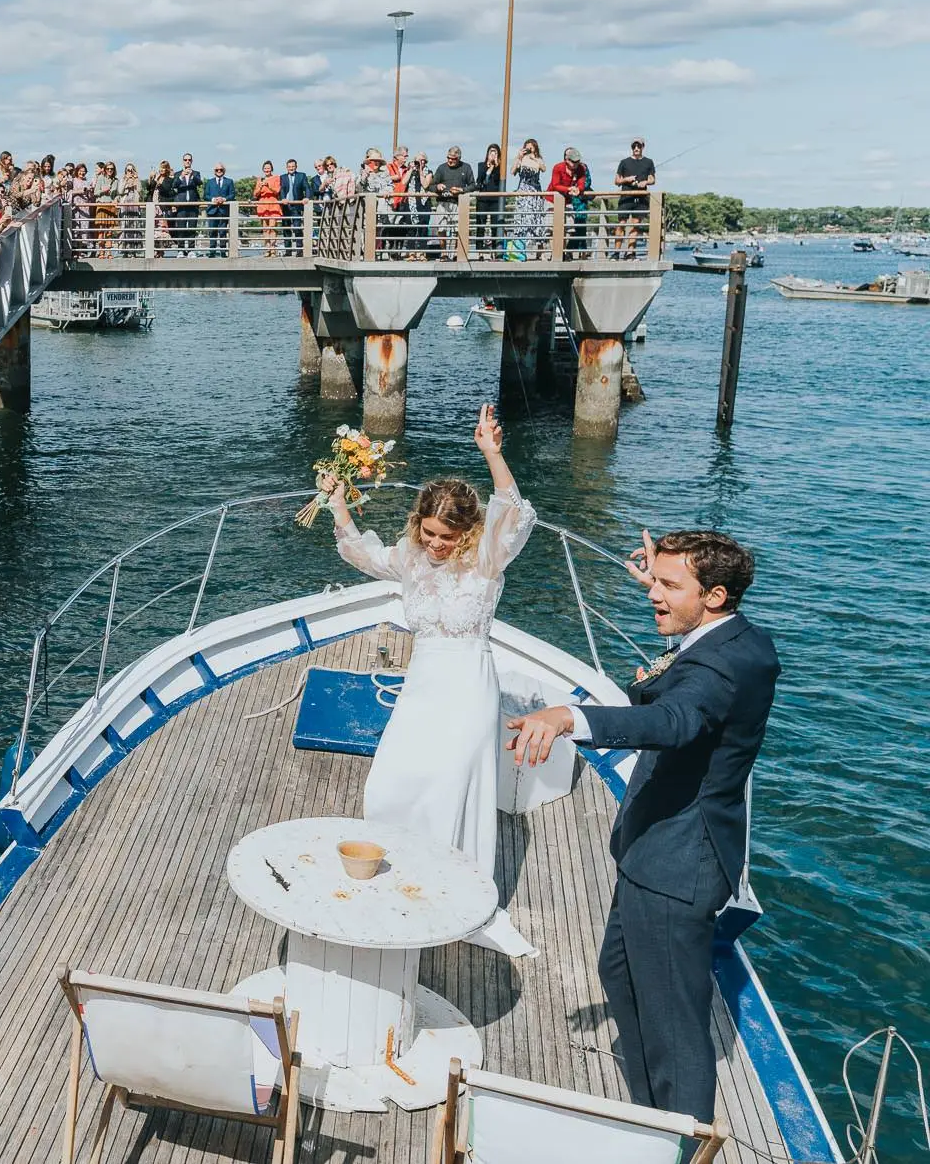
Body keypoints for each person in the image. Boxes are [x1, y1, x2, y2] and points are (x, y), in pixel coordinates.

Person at [507, 531, 774, 1128]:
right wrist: (665, 581)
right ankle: (647, 1108)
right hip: (659, 850)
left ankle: (676, 1135)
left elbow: (675, 719)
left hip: (678, 865)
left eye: (668, 586)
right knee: (619, 972)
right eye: (655, 581)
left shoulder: (717, 671)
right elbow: (692, 661)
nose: (653, 594)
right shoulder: (740, 639)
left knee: (675, 1024)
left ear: (715, 595)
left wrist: (566, 717)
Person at [321, 404, 538, 956]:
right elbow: (365, 555)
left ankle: (451, 893)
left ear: (467, 533)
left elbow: (512, 508)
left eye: (447, 535)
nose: (437, 543)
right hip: (422, 687)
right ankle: (402, 875)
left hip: (467, 688)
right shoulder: (413, 558)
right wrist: (338, 504)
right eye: (430, 530)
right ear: (419, 522)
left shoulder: (487, 560)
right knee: (391, 783)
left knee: (448, 789)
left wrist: (492, 452)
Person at [430, 146, 474, 260]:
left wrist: (462, 190)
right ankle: (444, 253)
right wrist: (438, 187)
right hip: (443, 202)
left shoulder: (466, 167)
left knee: (457, 229)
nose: (450, 160)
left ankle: (455, 253)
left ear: (458, 158)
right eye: (448, 158)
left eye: (453, 159)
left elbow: (473, 185)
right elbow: (431, 186)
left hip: (458, 203)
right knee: (441, 228)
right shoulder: (441, 168)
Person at [614, 138, 656, 259]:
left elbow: (653, 179)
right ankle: (616, 252)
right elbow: (616, 181)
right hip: (626, 197)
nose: (636, 148)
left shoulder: (649, 162)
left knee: (635, 225)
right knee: (621, 224)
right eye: (634, 146)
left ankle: (630, 253)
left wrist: (645, 182)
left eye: (639, 146)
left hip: (641, 198)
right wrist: (626, 180)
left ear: (643, 147)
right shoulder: (624, 162)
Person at [551, 147, 593, 259]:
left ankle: (568, 254)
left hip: (574, 202)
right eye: (573, 161)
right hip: (558, 199)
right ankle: (557, 254)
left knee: (572, 228)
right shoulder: (558, 167)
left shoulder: (582, 168)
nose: (575, 164)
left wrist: (579, 189)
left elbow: (584, 182)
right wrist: (569, 189)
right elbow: (555, 185)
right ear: (566, 159)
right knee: (553, 228)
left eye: (577, 161)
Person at [510, 138, 548, 261]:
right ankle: (520, 251)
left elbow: (543, 168)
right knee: (522, 220)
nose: (529, 149)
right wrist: (519, 157)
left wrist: (534, 158)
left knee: (537, 220)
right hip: (523, 191)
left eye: (531, 147)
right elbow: (512, 172)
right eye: (527, 147)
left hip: (535, 192)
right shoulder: (521, 159)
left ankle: (540, 251)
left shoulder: (538, 159)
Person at [475, 143, 505, 255]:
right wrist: (489, 167)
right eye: (491, 152)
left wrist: (496, 165)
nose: (493, 154)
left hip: (495, 200)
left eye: (495, 152)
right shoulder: (481, 165)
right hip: (482, 199)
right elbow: (480, 180)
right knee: (480, 225)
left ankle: (494, 250)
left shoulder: (501, 168)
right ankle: (479, 252)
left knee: (494, 226)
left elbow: (498, 179)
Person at [172, 154, 203, 254]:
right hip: (181, 205)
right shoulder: (177, 174)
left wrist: (192, 176)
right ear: (183, 161)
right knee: (180, 228)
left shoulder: (196, 173)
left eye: (189, 160)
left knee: (192, 228)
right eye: (185, 160)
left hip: (193, 205)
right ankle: (181, 249)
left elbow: (199, 183)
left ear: (192, 161)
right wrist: (181, 176)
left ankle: (191, 250)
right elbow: (174, 185)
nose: (187, 161)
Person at [204, 163, 236, 257]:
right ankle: (212, 252)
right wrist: (213, 200)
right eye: (217, 170)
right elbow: (205, 195)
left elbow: (232, 194)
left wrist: (224, 199)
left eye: (221, 170)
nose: (219, 171)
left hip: (223, 210)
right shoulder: (210, 182)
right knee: (212, 232)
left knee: (223, 232)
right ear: (214, 171)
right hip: (212, 210)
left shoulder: (229, 181)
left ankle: (223, 251)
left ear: (224, 171)